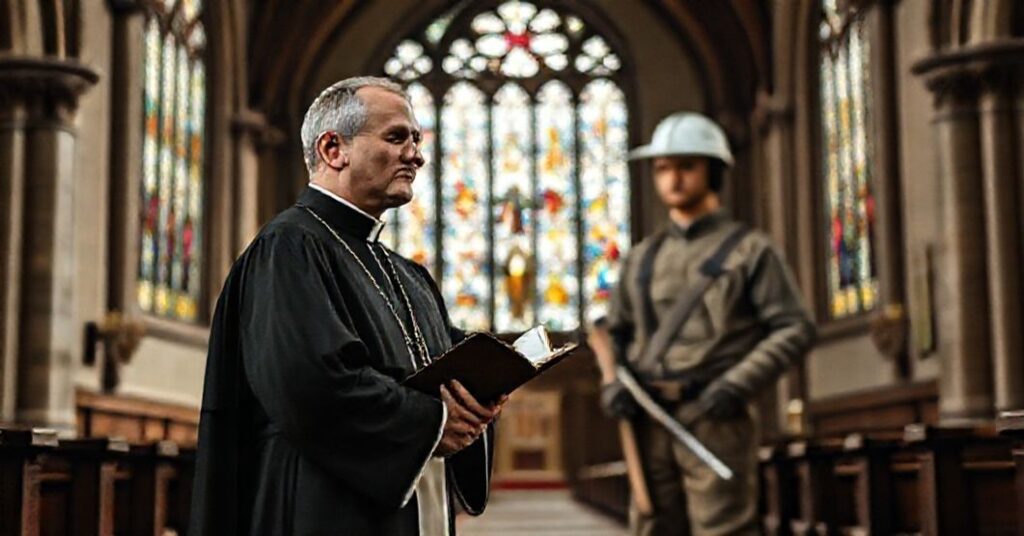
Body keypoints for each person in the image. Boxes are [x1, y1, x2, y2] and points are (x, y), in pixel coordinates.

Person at [189, 76, 503, 535]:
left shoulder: (409, 275)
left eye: (416, 140)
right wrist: (434, 421)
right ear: (333, 149)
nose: (416, 156)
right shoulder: (289, 248)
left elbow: (443, 370)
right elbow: (310, 385)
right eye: (397, 137)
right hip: (327, 510)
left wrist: (483, 392)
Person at [601, 112, 816, 535]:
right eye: (663, 168)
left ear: (713, 171)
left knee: (723, 530)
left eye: (686, 166)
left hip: (715, 417)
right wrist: (614, 385)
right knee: (653, 528)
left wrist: (737, 384)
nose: (673, 178)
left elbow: (794, 327)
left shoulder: (751, 251)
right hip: (650, 416)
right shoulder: (641, 258)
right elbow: (615, 333)